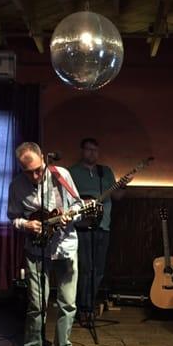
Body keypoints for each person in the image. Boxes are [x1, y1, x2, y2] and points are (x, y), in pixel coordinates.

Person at [7, 142, 80, 346]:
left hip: (65, 246)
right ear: (21, 168)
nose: (35, 175)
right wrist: (26, 224)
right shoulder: (17, 185)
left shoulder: (61, 175)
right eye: (28, 172)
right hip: (36, 249)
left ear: (43, 158)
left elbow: (78, 204)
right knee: (37, 304)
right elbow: (13, 217)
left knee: (67, 302)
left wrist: (72, 216)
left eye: (38, 169)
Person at [69, 138, 132, 323]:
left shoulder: (105, 172)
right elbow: (66, 199)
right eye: (89, 150)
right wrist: (85, 203)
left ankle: (88, 306)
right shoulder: (72, 172)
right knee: (85, 268)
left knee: (98, 270)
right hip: (82, 227)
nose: (92, 154)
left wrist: (123, 185)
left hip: (103, 226)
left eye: (95, 150)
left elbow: (117, 196)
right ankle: (83, 308)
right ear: (82, 151)